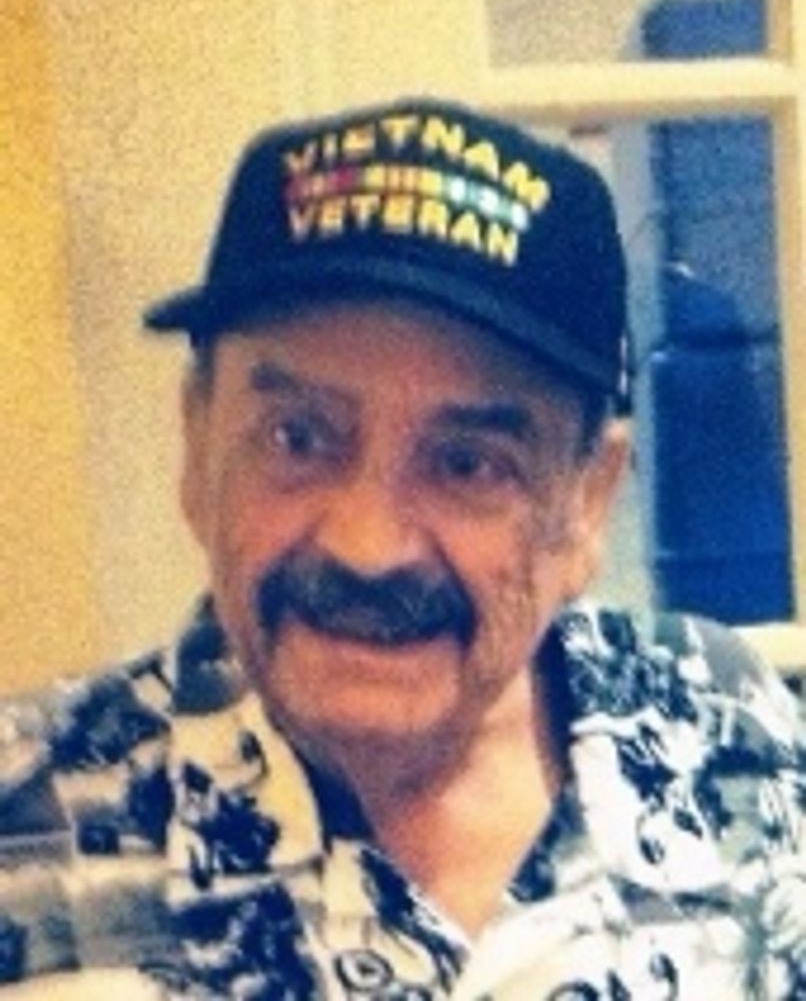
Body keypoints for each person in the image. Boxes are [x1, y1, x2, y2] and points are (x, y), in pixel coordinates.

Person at [0, 98, 803, 999]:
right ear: (198, 446)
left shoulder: (730, 727)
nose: (368, 547)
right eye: (298, 437)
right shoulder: (21, 823)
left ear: (585, 503)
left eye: (468, 463)